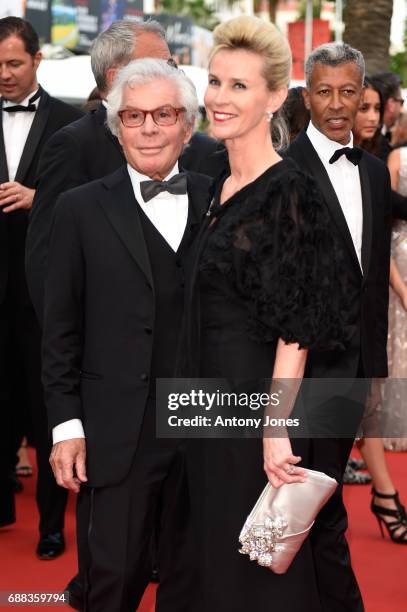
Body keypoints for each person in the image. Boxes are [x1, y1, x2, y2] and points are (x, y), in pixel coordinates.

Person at [181, 17, 357, 612]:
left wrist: (276, 428)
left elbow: (297, 328)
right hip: (204, 404)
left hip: (253, 410)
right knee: (209, 555)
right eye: (214, 82)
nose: (218, 99)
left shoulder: (291, 192)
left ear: (276, 97)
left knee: (254, 575)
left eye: (238, 86)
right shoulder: (215, 185)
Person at [42, 58, 211, 612]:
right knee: (112, 581)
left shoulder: (224, 200)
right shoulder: (79, 209)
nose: (149, 128)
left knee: (198, 583)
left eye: (164, 114)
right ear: (116, 129)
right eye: (134, 116)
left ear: (188, 124)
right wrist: (66, 425)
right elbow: (60, 329)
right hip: (120, 430)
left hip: (209, 425)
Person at [286, 42, 392, 608]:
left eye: (347, 92)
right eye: (323, 91)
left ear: (362, 97)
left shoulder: (373, 172)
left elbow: (372, 278)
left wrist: (372, 369)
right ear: (306, 96)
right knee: (309, 500)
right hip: (297, 367)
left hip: (349, 368)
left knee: (320, 497)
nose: (335, 104)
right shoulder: (282, 170)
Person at [26, 19, 219, 324]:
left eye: (171, 64)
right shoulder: (73, 145)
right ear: (116, 77)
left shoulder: (202, 149)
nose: (171, 71)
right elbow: (47, 260)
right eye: (162, 63)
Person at [0, 17, 82, 550]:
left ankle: (52, 525)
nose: (4, 74)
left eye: (13, 63)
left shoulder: (70, 124)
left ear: (36, 62)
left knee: (48, 407)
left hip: (46, 293)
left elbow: (88, 197)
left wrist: (39, 199)